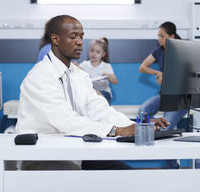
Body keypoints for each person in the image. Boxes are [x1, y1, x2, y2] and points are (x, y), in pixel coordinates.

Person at [16, 15, 169, 170]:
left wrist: (138, 126)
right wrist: (118, 131)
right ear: (55, 40)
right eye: (73, 37)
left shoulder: (78, 74)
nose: (80, 42)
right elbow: (64, 120)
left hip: (75, 154)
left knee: (129, 176)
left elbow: (101, 110)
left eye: (81, 37)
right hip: (44, 158)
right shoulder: (40, 75)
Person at [138, 21, 187, 169]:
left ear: (171, 36)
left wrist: (167, 76)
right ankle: (144, 147)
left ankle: (172, 166)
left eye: (162, 36)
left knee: (165, 126)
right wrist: (158, 73)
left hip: (180, 97)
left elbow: (187, 74)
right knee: (143, 110)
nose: (159, 39)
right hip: (164, 95)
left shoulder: (182, 50)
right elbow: (143, 67)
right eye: (158, 36)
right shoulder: (159, 50)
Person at [79, 37, 117, 105]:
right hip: (89, 93)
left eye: (98, 52)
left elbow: (115, 81)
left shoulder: (106, 66)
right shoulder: (85, 64)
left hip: (104, 93)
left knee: (97, 97)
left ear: (103, 54)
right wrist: (76, 67)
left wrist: (108, 76)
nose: (94, 54)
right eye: (92, 51)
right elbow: (78, 70)